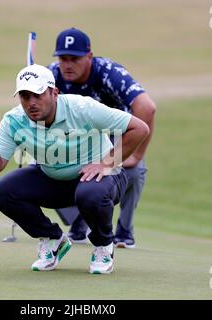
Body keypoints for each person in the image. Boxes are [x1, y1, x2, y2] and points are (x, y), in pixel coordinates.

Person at [0, 64, 149, 274]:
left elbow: (139, 128)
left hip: (102, 179)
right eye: (25, 96)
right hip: (54, 180)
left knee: (90, 194)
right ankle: (53, 239)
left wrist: (106, 163)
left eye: (38, 95)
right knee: (3, 192)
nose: (31, 103)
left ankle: (103, 245)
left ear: (54, 93)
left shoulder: (82, 108)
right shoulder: (15, 120)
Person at [48, 28, 156, 248]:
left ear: (89, 56)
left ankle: (124, 231)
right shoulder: (52, 76)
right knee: (45, 162)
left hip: (115, 129)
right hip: (78, 136)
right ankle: (80, 222)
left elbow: (147, 107)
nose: (67, 64)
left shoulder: (108, 72)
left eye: (74, 58)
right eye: (63, 58)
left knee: (132, 170)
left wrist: (135, 155)